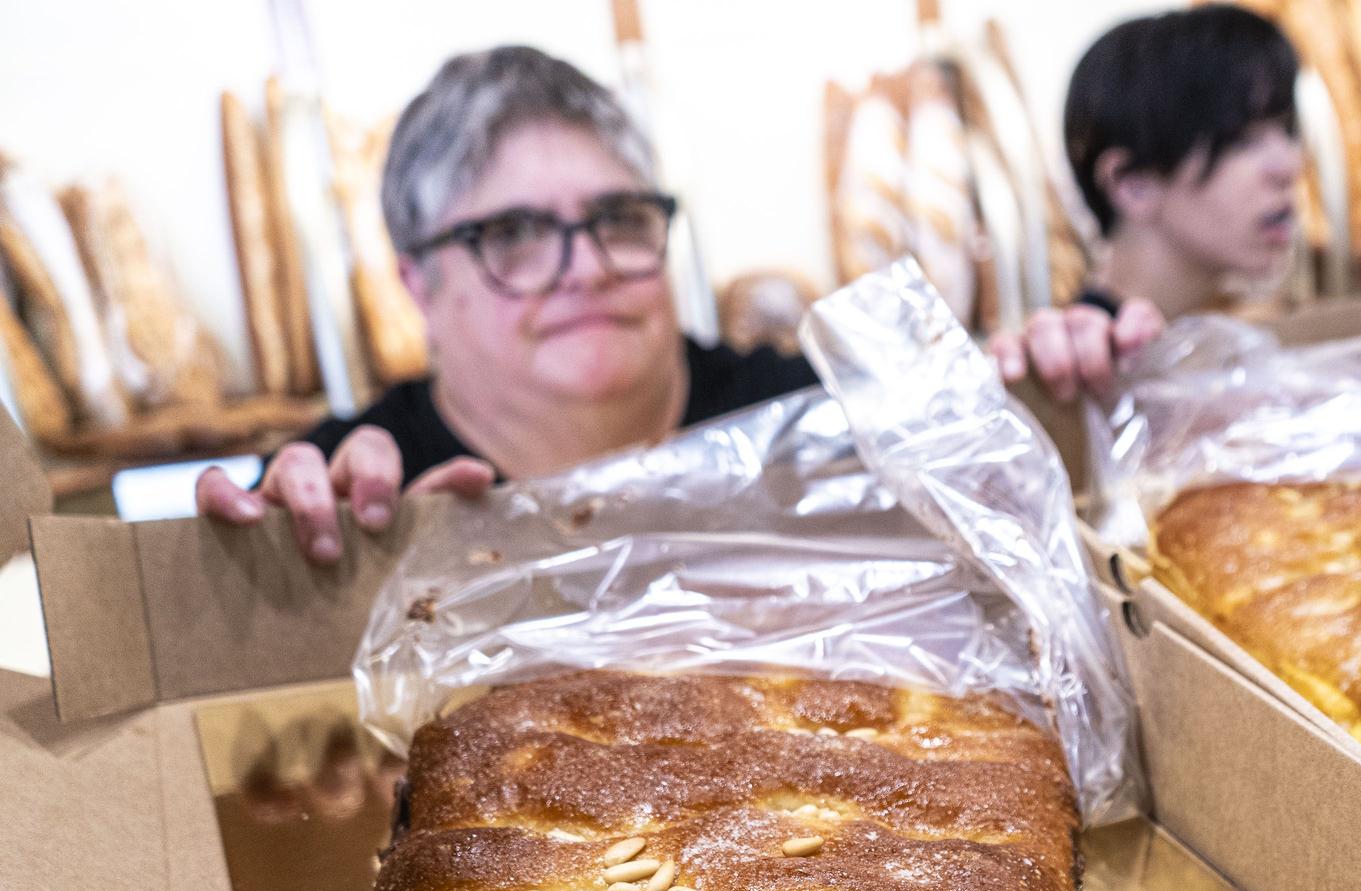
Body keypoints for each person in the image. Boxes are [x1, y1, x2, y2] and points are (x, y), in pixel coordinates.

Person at [199, 46, 1162, 564]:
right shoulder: (355, 483)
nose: (584, 267)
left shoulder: (815, 412)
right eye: (515, 236)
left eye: (618, 218)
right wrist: (285, 557)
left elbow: (1017, 494)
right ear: (418, 283)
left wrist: (1059, 386)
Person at [1063, 5, 1304, 320]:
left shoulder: (1216, 339)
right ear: (1133, 185)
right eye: (1242, 140)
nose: (1288, 165)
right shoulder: (1089, 362)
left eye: (1286, 130)